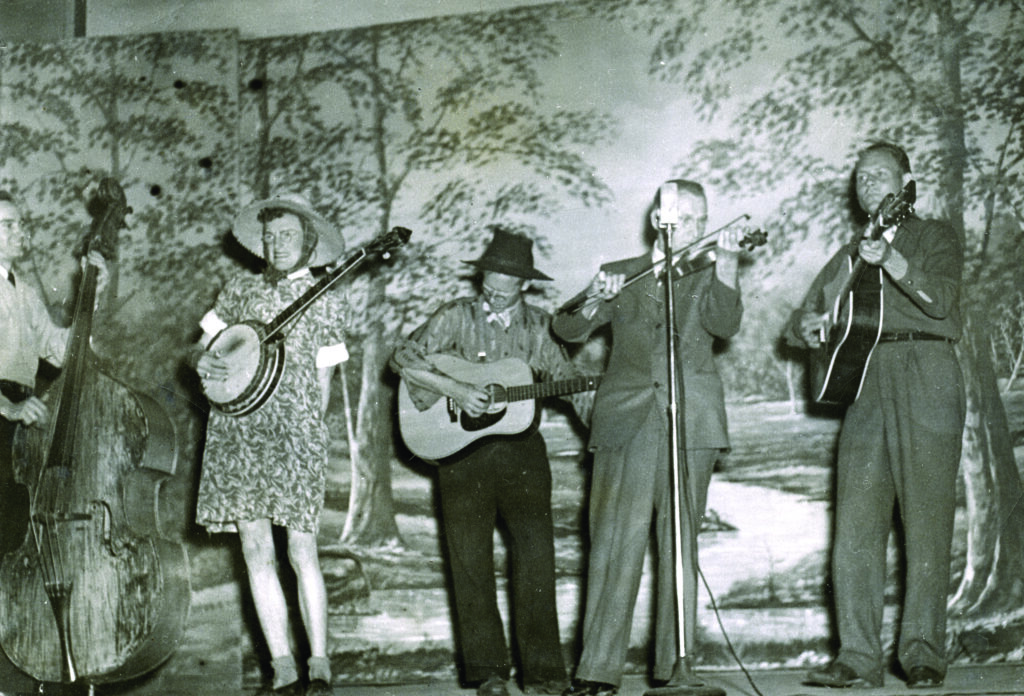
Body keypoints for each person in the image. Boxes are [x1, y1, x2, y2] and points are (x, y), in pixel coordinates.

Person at [552, 180, 744, 696]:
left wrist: (727, 265)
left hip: (692, 421)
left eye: (705, 218)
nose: (700, 228)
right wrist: (596, 297)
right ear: (662, 217)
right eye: (690, 217)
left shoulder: (709, 271)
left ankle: (676, 667)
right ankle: (596, 670)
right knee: (616, 541)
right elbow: (567, 329)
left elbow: (725, 323)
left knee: (680, 544)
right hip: (629, 418)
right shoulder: (621, 273)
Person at [788, 142, 965, 690]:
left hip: (927, 370)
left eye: (880, 174)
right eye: (861, 177)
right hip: (865, 382)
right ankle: (858, 657)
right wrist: (808, 324)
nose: (867, 183)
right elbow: (800, 319)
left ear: (906, 183)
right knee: (855, 529)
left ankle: (923, 654)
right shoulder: (849, 251)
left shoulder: (934, 236)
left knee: (927, 524)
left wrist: (892, 260)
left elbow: (943, 301)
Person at [390, 227, 591, 696]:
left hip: (522, 454)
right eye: (491, 273)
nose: (497, 283)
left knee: (537, 558)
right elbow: (402, 358)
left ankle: (543, 675)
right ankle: (489, 674)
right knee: (468, 559)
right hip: (458, 454)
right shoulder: (453, 316)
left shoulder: (541, 326)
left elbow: (566, 378)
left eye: (508, 275)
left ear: (525, 282)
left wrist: (604, 421)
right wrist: (458, 390)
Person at [187, 193, 349, 696]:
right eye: (271, 236)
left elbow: (324, 384)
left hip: (293, 435)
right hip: (238, 433)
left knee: (301, 550)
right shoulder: (239, 289)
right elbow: (202, 346)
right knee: (255, 548)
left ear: (308, 242)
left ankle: (318, 662)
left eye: (288, 236)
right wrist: (202, 362)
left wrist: (306, 437)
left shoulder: (325, 296)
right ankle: (282, 665)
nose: (277, 244)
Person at [0, 190, 108, 692]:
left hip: (18, 419)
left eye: (19, 224)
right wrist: (8, 407)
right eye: (7, 224)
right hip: (5, 412)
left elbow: (60, 352)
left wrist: (92, 294)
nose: (20, 232)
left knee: (18, 537)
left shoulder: (19, 286)